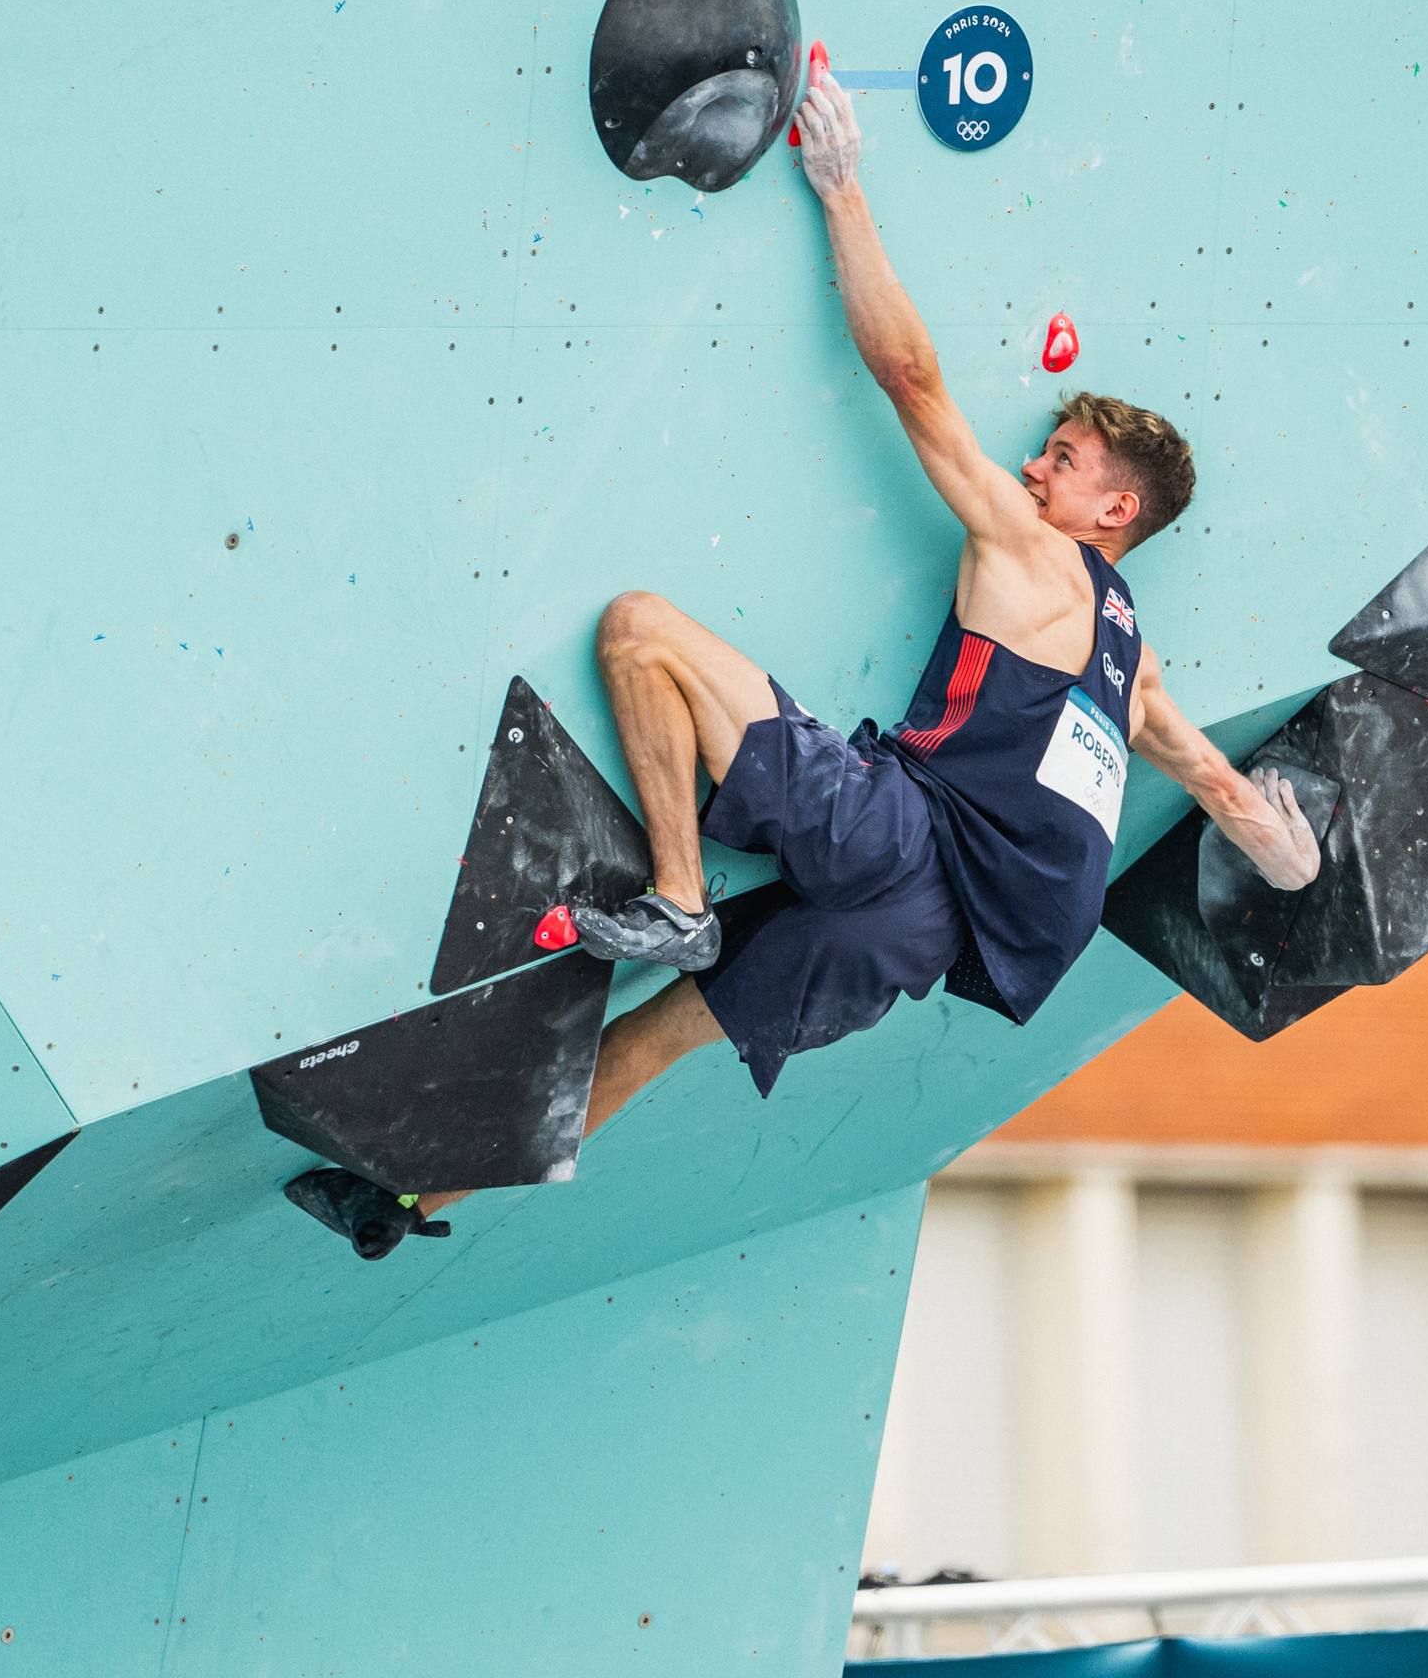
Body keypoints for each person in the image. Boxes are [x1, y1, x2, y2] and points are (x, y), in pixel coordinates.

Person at [312, 63, 1320, 1259]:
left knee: (636, 628)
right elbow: (1222, 792)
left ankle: (682, 896)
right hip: (912, 946)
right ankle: (411, 1202)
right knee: (649, 1045)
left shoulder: (1040, 556)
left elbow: (913, 382)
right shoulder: (1130, 660)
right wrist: (1290, 847)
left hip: (888, 835)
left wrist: (843, 190)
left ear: (1113, 510)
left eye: (1060, 458)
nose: (1036, 469)